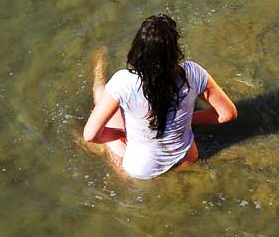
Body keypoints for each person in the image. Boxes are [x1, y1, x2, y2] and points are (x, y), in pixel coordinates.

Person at [83, 14, 237, 179]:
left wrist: (122, 133)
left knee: (100, 96)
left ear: (138, 49)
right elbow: (228, 113)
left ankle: (98, 71)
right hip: (186, 158)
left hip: (141, 170)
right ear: (175, 50)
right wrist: (188, 119)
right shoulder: (193, 72)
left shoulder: (124, 81)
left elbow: (91, 135)